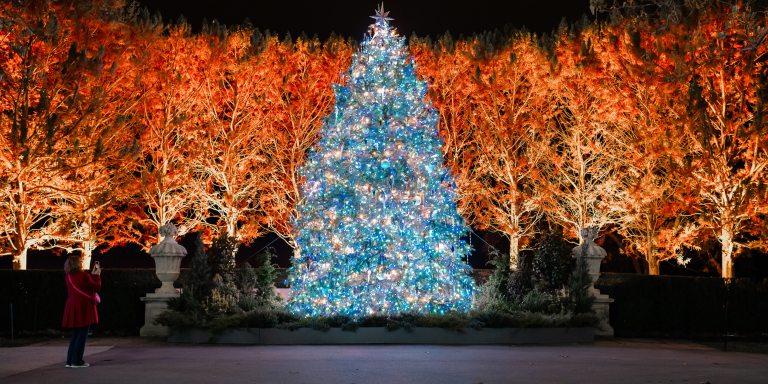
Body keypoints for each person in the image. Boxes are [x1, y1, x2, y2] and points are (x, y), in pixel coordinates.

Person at [62, 255, 102, 368]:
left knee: (75, 334)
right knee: (82, 334)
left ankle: (69, 361)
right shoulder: (84, 275)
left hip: (72, 305)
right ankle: (77, 361)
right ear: (77, 264)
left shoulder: (68, 276)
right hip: (83, 306)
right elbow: (96, 287)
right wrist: (97, 275)